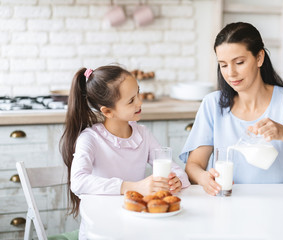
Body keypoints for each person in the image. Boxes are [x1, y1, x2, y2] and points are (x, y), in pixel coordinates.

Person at [179, 22, 283, 196]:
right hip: (227, 207)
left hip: (282, 208)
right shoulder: (212, 105)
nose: (231, 73)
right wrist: (204, 179)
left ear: (259, 58)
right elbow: (193, 166)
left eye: (239, 62)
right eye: (223, 65)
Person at [60, 65, 190, 239]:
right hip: (102, 228)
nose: (139, 102)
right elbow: (78, 182)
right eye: (131, 101)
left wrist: (177, 181)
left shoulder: (143, 134)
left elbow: (177, 170)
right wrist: (133, 187)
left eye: (138, 93)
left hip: (137, 226)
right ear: (107, 111)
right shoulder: (90, 139)